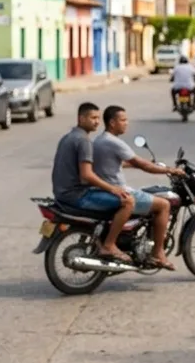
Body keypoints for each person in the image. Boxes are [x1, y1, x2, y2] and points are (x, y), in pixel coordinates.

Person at [92, 105, 186, 270]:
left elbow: (112, 163)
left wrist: (132, 165)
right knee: (164, 205)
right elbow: (143, 165)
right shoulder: (114, 142)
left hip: (103, 189)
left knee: (148, 197)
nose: (126, 123)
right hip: (117, 190)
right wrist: (170, 170)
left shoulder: (100, 140)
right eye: (123, 120)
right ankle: (158, 253)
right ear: (112, 123)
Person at [51, 102, 135, 263]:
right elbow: (87, 175)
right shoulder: (84, 141)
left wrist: (129, 165)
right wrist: (113, 189)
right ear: (81, 118)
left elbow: (89, 166)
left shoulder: (69, 137)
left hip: (62, 193)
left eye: (97, 118)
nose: (97, 121)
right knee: (128, 201)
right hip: (77, 195)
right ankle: (109, 245)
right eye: (92, 117)